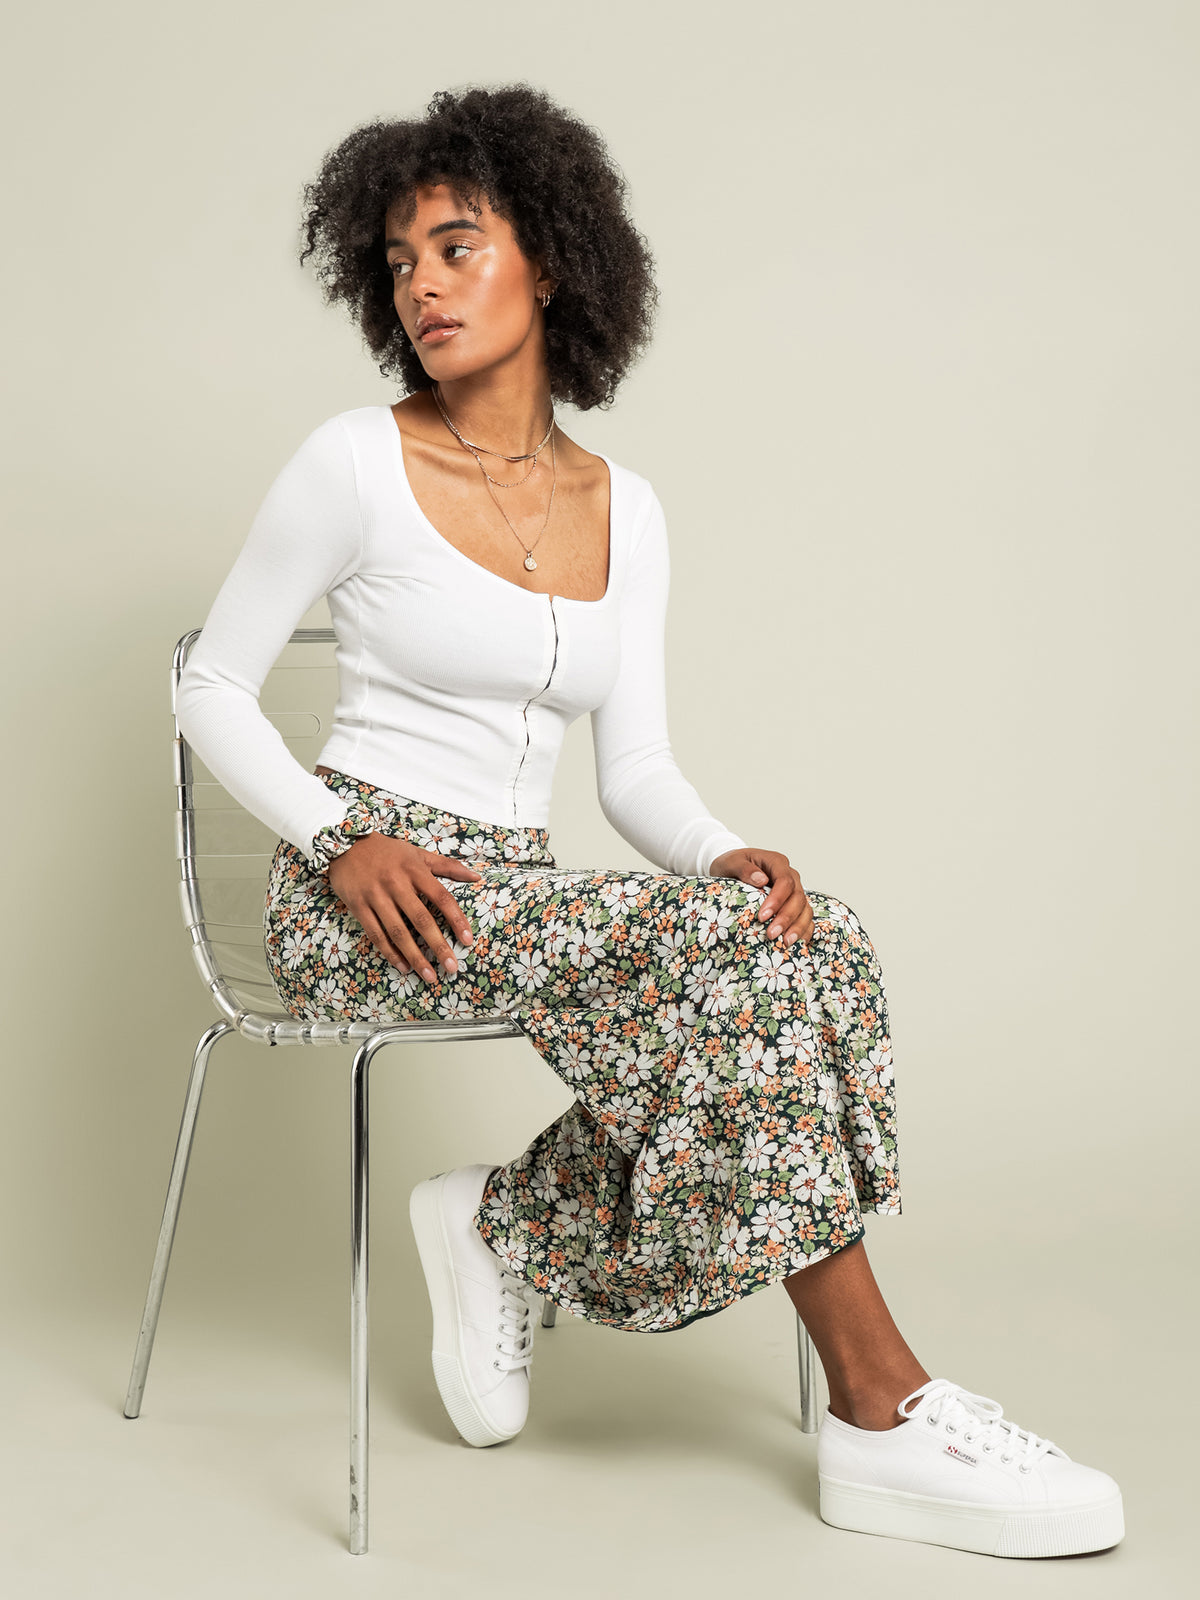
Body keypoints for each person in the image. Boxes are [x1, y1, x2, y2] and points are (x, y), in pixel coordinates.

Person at [175, 83, 1123, 1561]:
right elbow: (211, 685)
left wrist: (717, 851)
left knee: (808, 937)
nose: (422, 284)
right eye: (400, 261)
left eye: (458, 246)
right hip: (374, 892)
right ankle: (883, 1409)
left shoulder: (629, 505)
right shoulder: (354, 462)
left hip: (520, 893)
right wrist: (337, 843)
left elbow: (637, 771)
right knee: (724, 966)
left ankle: (507, 1224)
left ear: (550, 262)